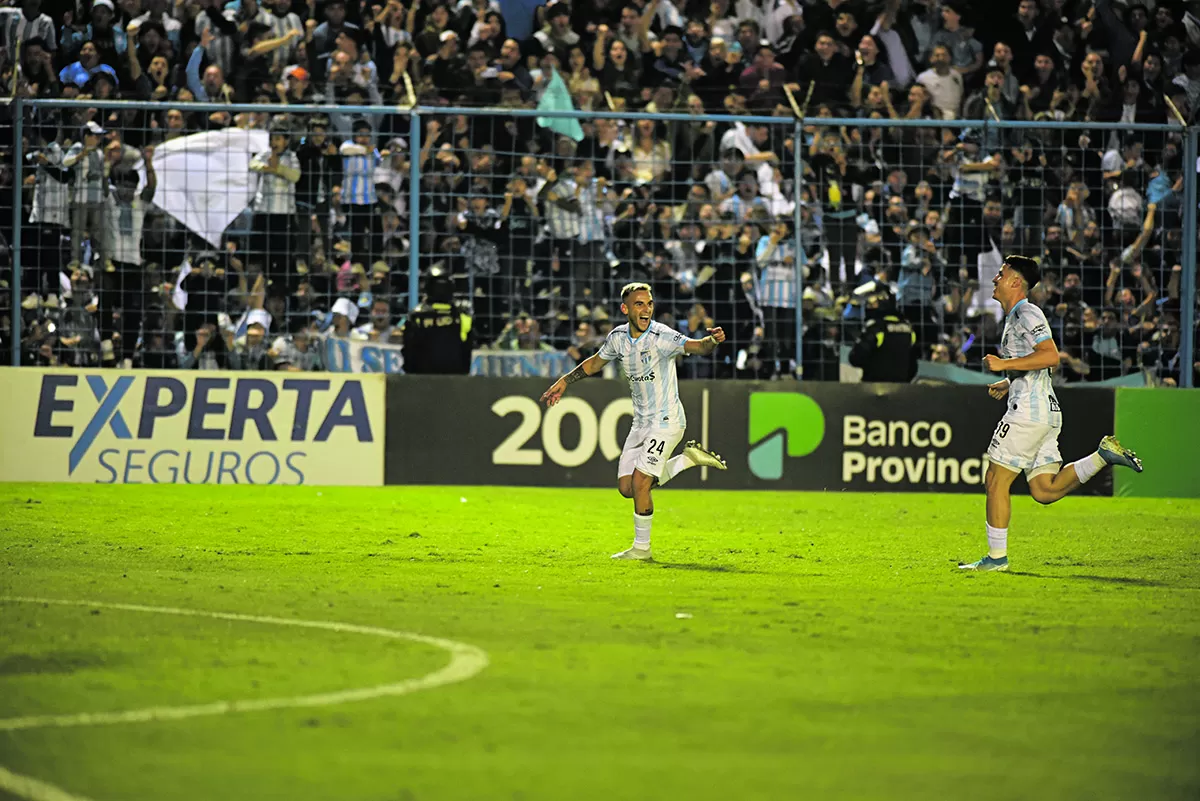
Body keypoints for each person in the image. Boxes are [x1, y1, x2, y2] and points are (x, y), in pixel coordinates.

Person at [962, 255, 1145, 572]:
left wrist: (1005, 364)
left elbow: (1050, 356)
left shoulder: (1026, 312)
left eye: (1001, 274)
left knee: (995, 480)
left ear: (1016, 281)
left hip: (1028, 413)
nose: (995, 279)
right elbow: (1035, 362)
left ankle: (995, 559)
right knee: (1044, 490)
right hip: (1045, 411)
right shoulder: (1015, 317)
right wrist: (1009, 380)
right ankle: (1102, 456)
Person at [539, 282, 729, 561]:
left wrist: (711, 340)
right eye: (639, 304)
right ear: (625, 309)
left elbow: (697, 347)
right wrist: (565, 381)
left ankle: (642, 549)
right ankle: (687, 460)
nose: (646, 309)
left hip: (667, 420)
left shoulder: (661, 336)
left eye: (649, 303)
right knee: (627, 488)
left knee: (641, 482)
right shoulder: (617, 338)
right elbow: (594, 363)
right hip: (641, 422)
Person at [401, 267, 473, 374]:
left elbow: (408, 351)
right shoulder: (463, 317)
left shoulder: (415, 316)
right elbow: (467, 350)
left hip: (420, 380)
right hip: (454, 381)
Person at [847, 284, 919, 382]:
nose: (869, 307)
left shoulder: (876, 328)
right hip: (901, 389)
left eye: (872, 304)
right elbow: (913, 366)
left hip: (874, 388)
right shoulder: (908, 330)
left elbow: (855, 358)